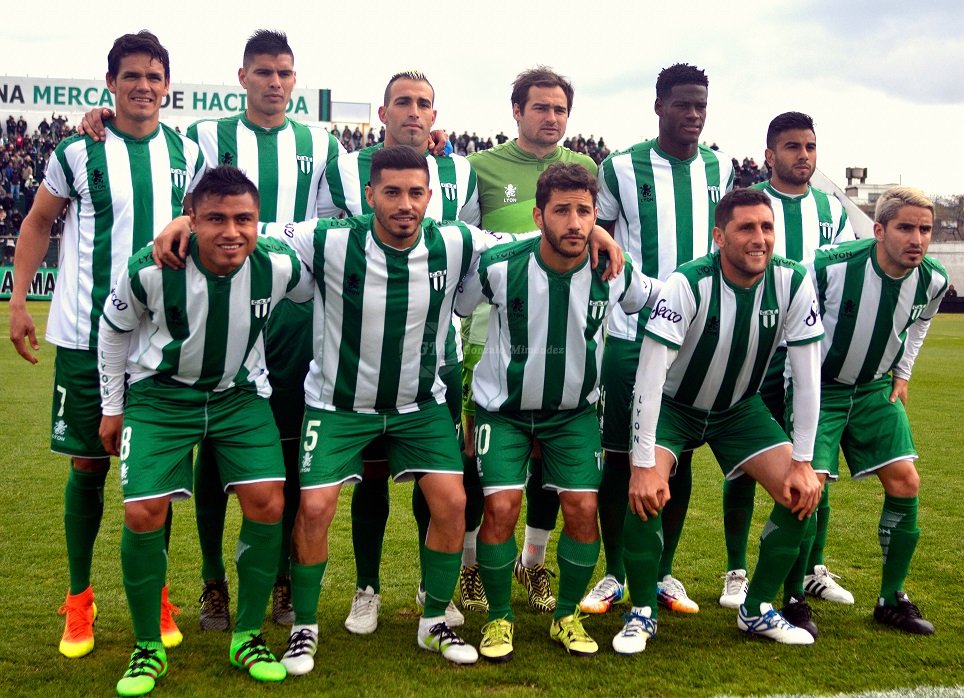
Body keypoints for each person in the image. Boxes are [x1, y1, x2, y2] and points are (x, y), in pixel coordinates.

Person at [173, 145, 623, 675]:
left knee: (452, 502)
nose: (404, 203)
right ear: (370, 195)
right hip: (339, 404)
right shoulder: (329, 238)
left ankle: (434, 620)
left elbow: (531, 238)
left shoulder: (455, 242)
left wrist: (594, 230)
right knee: (314, 508)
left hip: (420, 405)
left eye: (415, 193)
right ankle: (305, 628)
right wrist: (182, 222)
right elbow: (252, 229)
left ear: (431, 197)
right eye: (391, 192)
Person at [78, 29, 344, 632]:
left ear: (294, 80)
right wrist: (102, 119)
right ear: (243, 76)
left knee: (277, 449)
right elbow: (176, 179)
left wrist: (432, 143)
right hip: (209, 288)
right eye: (264, 72)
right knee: (210, 444)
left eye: (285, 73)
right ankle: (212, 584)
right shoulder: (203, 136)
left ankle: (277, 579)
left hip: (285, 306)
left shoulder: (321, 142)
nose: (275, 83)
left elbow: (334, 218)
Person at [8, 30, 205, 660]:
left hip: (162, 341)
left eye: (153, 75)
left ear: (167, 85)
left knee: (161, 474)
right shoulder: (75, 150)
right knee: (89, 465)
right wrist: (17, 302)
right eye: (131, 76)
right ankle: (78, 599)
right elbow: (38, 220)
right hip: (86, 337)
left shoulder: (189, 154)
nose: (143, 86)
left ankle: (160, 594)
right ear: (111, 84)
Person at [99, 166, 312, 696]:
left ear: (260, 222)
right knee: (143, 511)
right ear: (191, 218)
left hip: (239, 397)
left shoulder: (280, 267)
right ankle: (148, 646)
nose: (231, 231)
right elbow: (113, 329)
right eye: (215, 218)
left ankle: (246, 635)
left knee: (268, 501)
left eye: (244, 219)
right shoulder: (150, 269)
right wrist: (112, 406)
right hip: (161, 396)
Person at [457, 162, 660, 663]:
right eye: (562, 210)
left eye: (584, 212)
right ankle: (500, 617)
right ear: (537, 214)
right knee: (501, 509)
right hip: (502, 410)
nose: (574, 223)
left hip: (572, 413)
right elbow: (458, 305)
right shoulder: (501, 263)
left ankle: (565, 614)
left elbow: (656, 299)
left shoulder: (612, 268)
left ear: (597, 216)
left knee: (583, 509)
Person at [613, 187, 825, 654]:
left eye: (767, 227)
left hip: (739, 411)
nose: (760, 238)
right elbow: (649, 377)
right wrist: (643, 462)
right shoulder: (687, 284)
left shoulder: (792, 280)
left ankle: (756, 610)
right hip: (675, 407)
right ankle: (642, 611)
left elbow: (808, 376)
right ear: (719, 236)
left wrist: (804, 460)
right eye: (746, 227)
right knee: (646, 494)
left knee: (800, 492)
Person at [318, 70, 483, 634]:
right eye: (403, 103)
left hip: (437, 354)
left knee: (437, 477)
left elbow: (474, 250)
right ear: (383, 112)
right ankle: (367, 586)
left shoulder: (461, 170)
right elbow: (327, 248)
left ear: (435, 116)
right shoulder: (342, 167)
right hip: (362, 351)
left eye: (425, 105)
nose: (414, 112)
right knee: (370, 472)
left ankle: (429, 586)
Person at [581, 63, 734, 617]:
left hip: (696, 340)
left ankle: (664, 570)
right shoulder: (621, 167)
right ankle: (616, 572)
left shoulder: (719, 165)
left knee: (680, 457)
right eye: (683, 105)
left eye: (701, 105)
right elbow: (598, 235)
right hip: (630, 334)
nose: (693, 115)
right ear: (659, 106)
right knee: (622, 457)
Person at [463, 66, 598, 615]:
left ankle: (533, 562)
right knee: (482, 462)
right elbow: (465, 239)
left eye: (560, 109)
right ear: (516, 111)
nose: (551, 118)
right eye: (540, 107)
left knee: (551, 455)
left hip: (563, 330)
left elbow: (593, 232)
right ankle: (472, 568)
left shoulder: (586, 168)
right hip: (493, 329)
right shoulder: (481, 167)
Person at [784, 186, 947, 637]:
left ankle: (891, 597)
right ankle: (793, 595)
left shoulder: (933, 279)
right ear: (879, 229)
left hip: (875, 389)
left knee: (906, 481)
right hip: (823, 390)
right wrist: (791, 381)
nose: (918, 238)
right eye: (906, 228)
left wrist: (904, 372)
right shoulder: (830, 265)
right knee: (806, 490)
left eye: (926, 229)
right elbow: (790, 312)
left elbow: (920, 323)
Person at [719, 111, 857, 614]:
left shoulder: (831, 208)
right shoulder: (752, 205)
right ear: (769, 155)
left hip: (809, 353)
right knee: (742, 464)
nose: (804, 156)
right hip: (757, 354)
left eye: (811, 147)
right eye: (793, 147)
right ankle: (736, 569)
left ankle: (812, 568)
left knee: (813, 462)